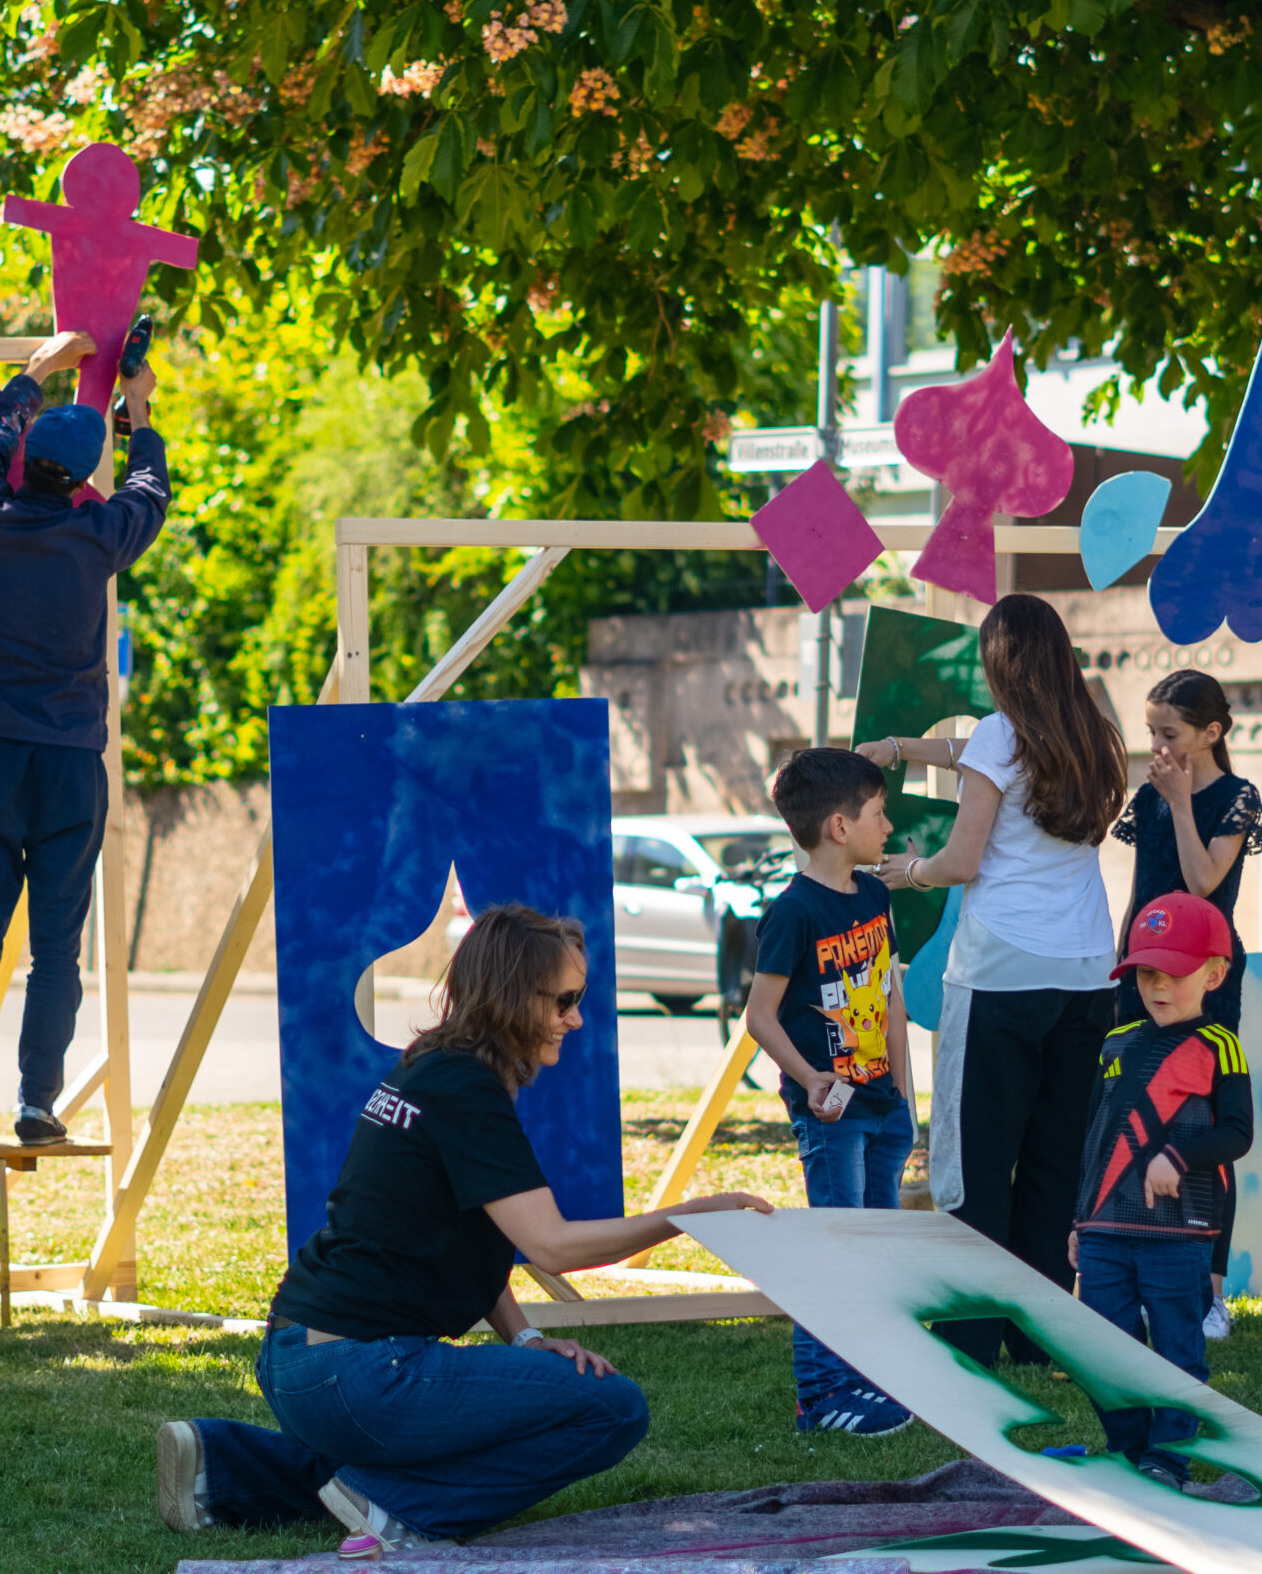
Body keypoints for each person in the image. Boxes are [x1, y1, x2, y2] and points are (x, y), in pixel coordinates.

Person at [157, 905, 773, 1558]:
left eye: (580, 998)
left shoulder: (433, 1068)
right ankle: (398, 1510)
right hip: (361, 1373)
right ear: (511, 998)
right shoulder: (468, 1091)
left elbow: (474, 1242)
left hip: (300, 1361)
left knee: (484, 1410)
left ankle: (220, 1466)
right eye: (563, 1000)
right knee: (612, 1408)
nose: (576, 1018)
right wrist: (687, 1216)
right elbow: (552, 1247)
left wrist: (527, 1337)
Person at [859, 592, 1126, 1368]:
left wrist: (907, 872)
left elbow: (962, 860)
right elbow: (982, 755)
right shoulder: (1090, 731)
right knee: (1051, 1162)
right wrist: (906, 749)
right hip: (1084, 972)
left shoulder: (1001, 735)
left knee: (975, 1163)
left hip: (1001, 972)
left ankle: (970, 1336)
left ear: (999, 661)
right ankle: (1037, 1333)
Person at [0, 329, 169, 1147]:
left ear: (30, 461)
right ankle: (38, 1107)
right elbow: (151, 488)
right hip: (70, 764)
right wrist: (138, 410)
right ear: (80, 483)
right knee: (56, 948)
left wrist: (33, 373)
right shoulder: (99, 536)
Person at [746, 746, 916, 1436]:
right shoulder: (792, 913)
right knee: (832, 1245)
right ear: (839, 828)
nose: (890, 826)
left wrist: (903, 1094)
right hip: (832, 1117)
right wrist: (810, 1076)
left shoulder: (875, 895)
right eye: (879, 813)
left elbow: (889, 995)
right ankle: (820, 1396)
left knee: (873, 1248)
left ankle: (867, 1382)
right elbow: (759, 1017)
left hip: (884, 1108)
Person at [1071, 892, 1253, 1487]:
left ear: (1216, 974)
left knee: (1178, 1351)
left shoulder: (1221, 1045)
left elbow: (1237, 1134)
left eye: (1174, 972)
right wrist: (1079, 1221)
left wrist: (1177, 1154)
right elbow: (1096, 1136)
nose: (1158, 986)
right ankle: (1128, 1451)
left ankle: (1167, 1458)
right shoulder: (1116, 1043)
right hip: (1104, 1230)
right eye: (1146, 972)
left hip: (1180, 1235)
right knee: (1105, 1350)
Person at [1110, 669, 1262, 1340]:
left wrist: (1178, 801)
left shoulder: (1235, 796)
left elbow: (1204, 881)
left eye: (1169, 732)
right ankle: (1136, 1270)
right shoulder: (1147, 798)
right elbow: (1140, 889)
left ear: (1212, 733)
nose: (1159, 745)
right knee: (1130, 1114)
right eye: (1151, 732)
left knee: (1202, 1121)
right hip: (1142, 974)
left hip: (1205, 973)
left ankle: (1210, 1289)